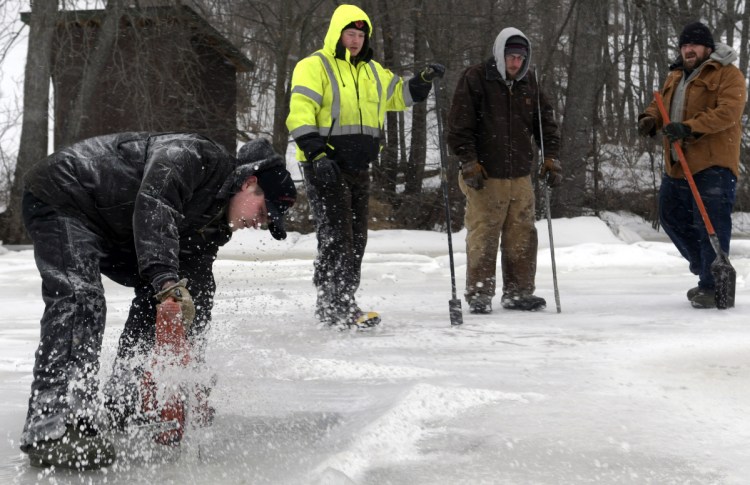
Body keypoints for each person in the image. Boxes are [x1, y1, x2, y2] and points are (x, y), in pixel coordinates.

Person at [19, 133, 297, 469]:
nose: (259, 223)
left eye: (267, 224)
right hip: (67, 194)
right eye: (264, 211)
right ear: (250, 183)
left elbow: (197, 296)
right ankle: (52, 428)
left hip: (116, 226)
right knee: (81, 300)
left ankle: (126, 400)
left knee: (177, 297)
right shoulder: (197, 155)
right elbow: (155, 202)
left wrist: (188, 378)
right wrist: (166, 281)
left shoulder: (211, 227)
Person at [286, 4, 445, 328]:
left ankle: (341, 300)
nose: (355, 40)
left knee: (356, 238)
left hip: (359, 167)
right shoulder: (314, 66)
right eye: (350, 33)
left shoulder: (372, 70)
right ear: (338, 33)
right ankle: (336, 303)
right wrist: (317, 155)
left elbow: (399, 94)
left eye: (360, 34)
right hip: (325, 166)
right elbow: (300, 113)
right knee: (337, 236)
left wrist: (423, 80)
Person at [447, 27, 562, 314]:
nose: (516, 63)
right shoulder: (475, 78)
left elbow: (545, 123)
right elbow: (460, 126)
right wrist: (468, 161)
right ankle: (479, 293)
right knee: (484, 234)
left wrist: (551, 157)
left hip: (521, 174)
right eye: (511, 57)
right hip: (486, 173)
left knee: (522, 234)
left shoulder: (529, 83)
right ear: (500, 54)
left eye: (521, 58)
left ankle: (519, 292)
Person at [638, 21, 746, 308]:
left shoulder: (728, 74)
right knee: (670, 215)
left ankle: (711, 287)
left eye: (694, 45)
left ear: (707, 48)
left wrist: (689, 128)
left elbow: (728, 113)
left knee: (709, 223)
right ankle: (707, 267)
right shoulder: (675, 75)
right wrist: (650, 120)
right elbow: (660, 105)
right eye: (684, 45)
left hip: (713, 164)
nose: (688, 49)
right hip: (677, 163)